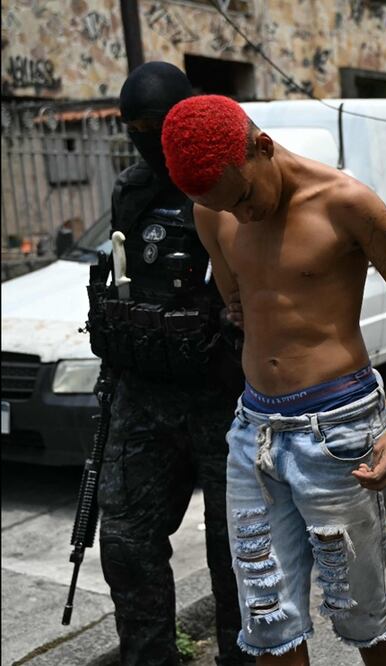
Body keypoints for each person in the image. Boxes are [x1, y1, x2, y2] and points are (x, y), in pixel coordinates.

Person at [161, 95, 386, 664]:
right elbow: (237, 295)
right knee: (267, 618)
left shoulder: (347, 203)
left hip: (337, 429)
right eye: (223, 207)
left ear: (262, 147)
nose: (239, 215)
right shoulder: (212, 209)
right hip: (253, 432)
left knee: (360, 609)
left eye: (244, 196)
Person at [85, 62, 250, 666]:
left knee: (235, 552)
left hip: (222, 400)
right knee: (126, 546)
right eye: (131, 128)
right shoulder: (131, 190)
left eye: (154, 126)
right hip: (142, 397)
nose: (145, 141)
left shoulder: (226, 185)